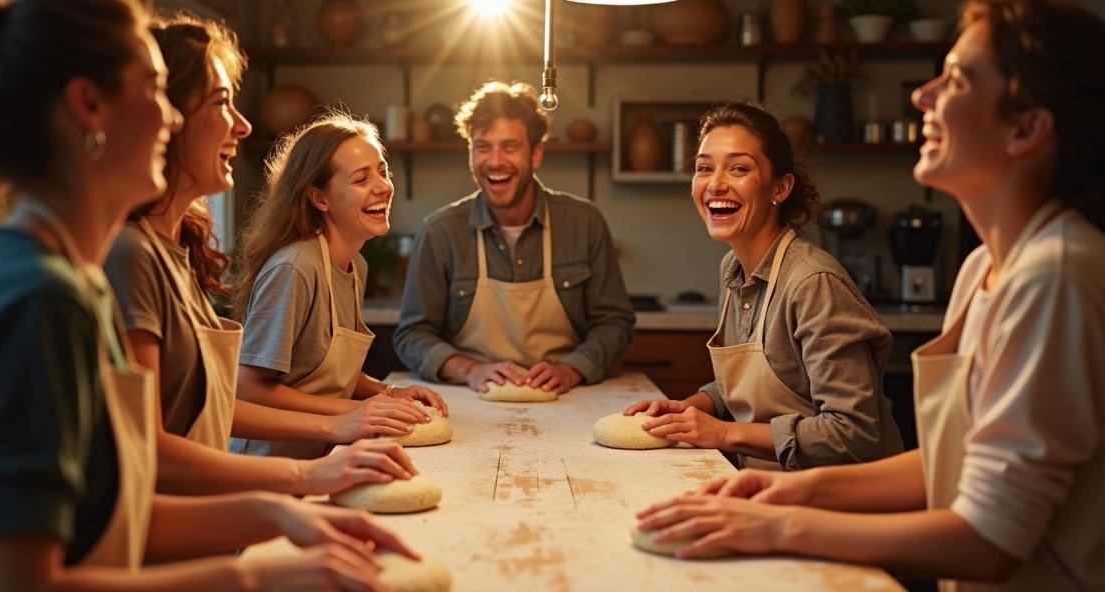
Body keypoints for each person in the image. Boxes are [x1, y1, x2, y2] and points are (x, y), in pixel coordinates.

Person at [0, 1, 415, 589]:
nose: (170, 119)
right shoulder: (35, 300)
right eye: (155, 90)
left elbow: (107, 519)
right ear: (89, 108)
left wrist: (281, 508)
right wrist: (254, 578)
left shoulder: (72, 280)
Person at [635, 1, 1105, 589]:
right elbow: (951, 462)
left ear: (1027, 128)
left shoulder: (1054, 276)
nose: (921, 95)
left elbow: (991, 541)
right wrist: (788, 486)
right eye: (705, 168)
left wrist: (779, 523)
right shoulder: (985, 267)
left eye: (956, 79)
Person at [104, 11, 422, 495]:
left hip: (253, 487)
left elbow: (212, 404)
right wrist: (334, 428)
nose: (245, 125)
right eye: (221, 101)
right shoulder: (134, 254)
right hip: (246, 483)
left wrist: (385, 396)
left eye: (382, 171)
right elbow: (171, 436)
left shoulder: (176, 253)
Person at [624, 100, 903, 471]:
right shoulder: (733, 268)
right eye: (704, 168)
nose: (716, 183)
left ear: (781, 187)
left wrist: (723, 433)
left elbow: (854, 432)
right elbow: (748, 393)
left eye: (739, 168)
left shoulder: (813, 283)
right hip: (774, 493)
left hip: (848, 510)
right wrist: (690, 407)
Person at [393, 80, 635, 394]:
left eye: (510, 147)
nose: (494, 162)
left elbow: (614, 322)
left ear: (536, 154)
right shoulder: (440, 233)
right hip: (468, 399)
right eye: (482, 147)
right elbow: (411, 334)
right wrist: (470, 370)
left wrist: (572, 369)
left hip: (565, 397)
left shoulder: (584, 224)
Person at [230, 113, 448, 460]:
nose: (382, 186)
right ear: (320, 198)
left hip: (321, 456)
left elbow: (330, 374)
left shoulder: (354, 264)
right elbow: (249, 389)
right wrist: (348, 414)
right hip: (268, 464)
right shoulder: (295, 268)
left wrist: (388, 392)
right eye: (361, 178)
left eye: (382, 171)